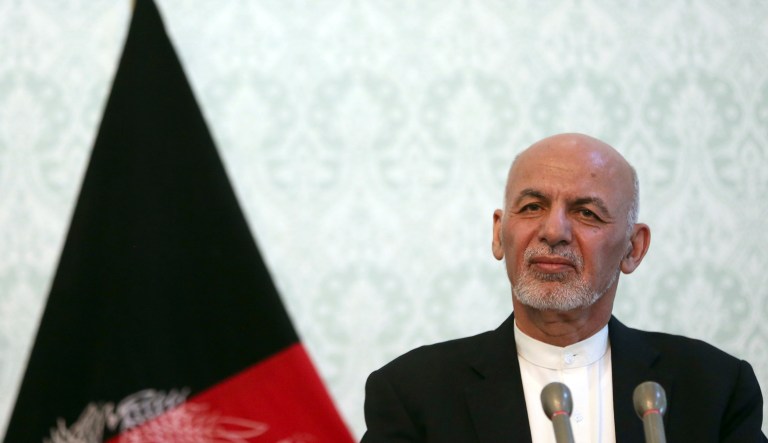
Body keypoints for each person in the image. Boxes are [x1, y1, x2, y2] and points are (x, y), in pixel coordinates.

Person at [360, 133, 766, 442]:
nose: (553, 231)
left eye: (586, 212)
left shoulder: (714, 387)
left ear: (633, 248)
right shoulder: (413, 393)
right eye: (533, 207)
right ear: (500, 234)